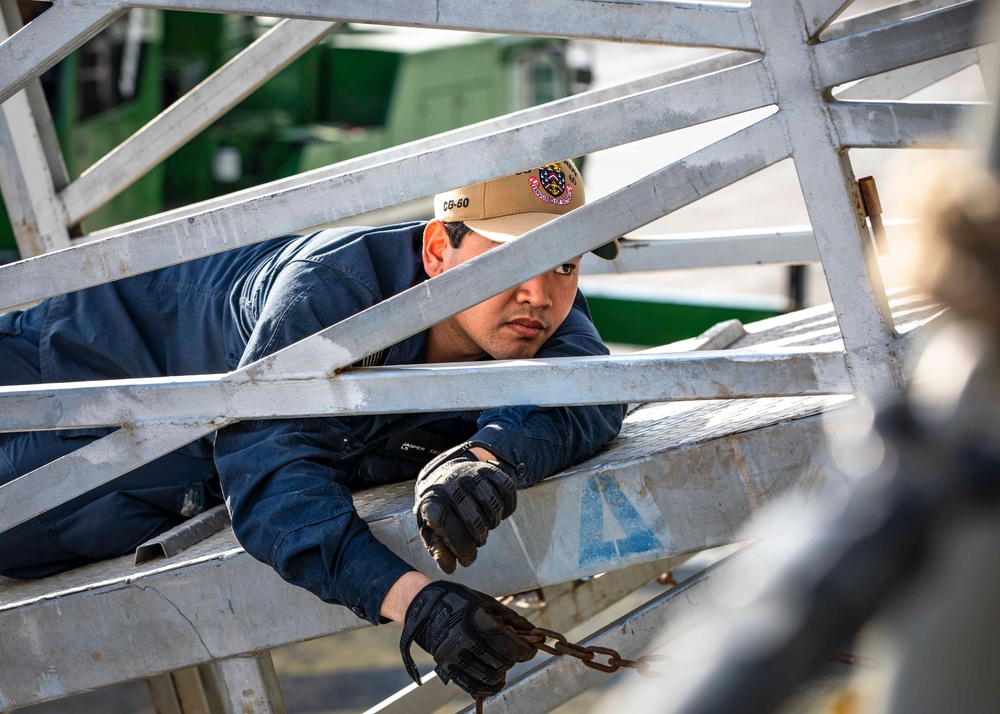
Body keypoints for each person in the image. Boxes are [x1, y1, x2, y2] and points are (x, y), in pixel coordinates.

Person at [0, 160, 625, 697]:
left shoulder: (535, 319)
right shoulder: (336, 290)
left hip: (154, 481)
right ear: (438, 250)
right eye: (512, 259)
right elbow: (273, 475)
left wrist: (487, 459)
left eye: (564, 264)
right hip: (62, 377)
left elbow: (590, 397)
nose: (540, 293)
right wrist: (418, 607)